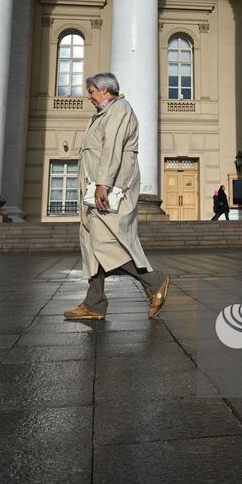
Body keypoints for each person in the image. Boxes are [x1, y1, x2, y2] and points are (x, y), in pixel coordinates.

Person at [64, 72, 170, 322]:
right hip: (95, 194)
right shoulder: (103, 114)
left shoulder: (119, 110)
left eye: (91, 91)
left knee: (108, 244)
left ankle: (155, 281)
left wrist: (104, 184)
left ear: (105, 90)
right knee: (93, 246)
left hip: (109, 192)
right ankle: (94, 303)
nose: (89, 96)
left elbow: (112, 149)